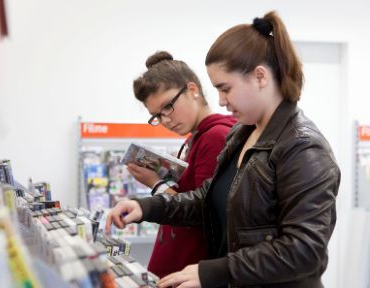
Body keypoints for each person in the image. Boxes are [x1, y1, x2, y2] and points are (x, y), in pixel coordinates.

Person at [106, 11, 341, 288]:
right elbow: (208, 200)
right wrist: (146, 207)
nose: (220, 100)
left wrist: (215, 271)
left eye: (225, 88)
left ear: (260, 77)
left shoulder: (302, 146)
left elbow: (304, 251)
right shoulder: (242, 134)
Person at [126, 51, 237, 278]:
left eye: (168, 107)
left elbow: (203, 211)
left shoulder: (216, 136)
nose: (165, 119)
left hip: (191, 269)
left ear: (192, 90)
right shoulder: (195, 137)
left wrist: (155, 183)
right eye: (156, 115)